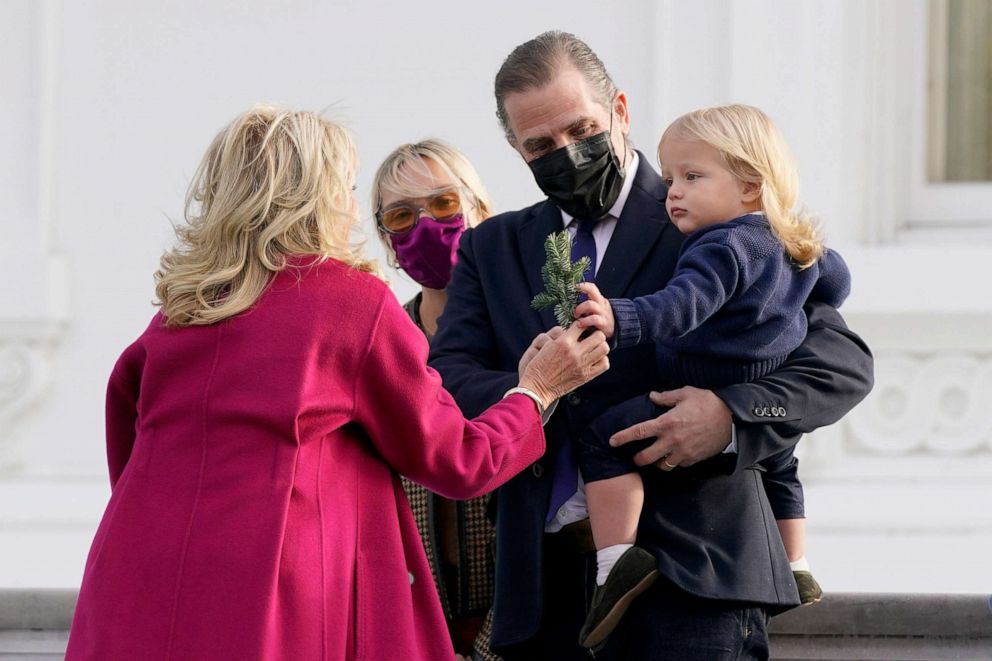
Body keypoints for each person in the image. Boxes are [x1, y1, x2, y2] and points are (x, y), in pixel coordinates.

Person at [64, 106, 610, 661]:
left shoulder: (178, 316)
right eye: (346, 187)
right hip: (272, 595)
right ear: (316, 197)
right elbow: (459, 460)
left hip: (133, 583)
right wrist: (535, 391)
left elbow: (129, 456)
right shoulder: (349, 304)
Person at [429, 31, 874, 660]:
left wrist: (728, 416)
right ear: (515, 148)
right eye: (540, 145)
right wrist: (535, 387)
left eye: (581, 129)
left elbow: (841, 364)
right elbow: (446, 377)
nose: (566, 153)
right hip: (545, 590)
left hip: (695, 578)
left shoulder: (713, 211)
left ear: (621, 111)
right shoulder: (492, 247)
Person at [572, 104, 846, 650]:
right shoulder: (795, 244)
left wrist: (618, 318)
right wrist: (798, 303)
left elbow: (683, 304)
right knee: (780, 467)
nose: (674, 191)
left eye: (693, 177)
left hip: (699, 391)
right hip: (756, 391)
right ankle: (797, 565)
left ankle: (617, 561)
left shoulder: (720, 246)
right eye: (671, 177)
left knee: (602, 436)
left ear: (750, 185)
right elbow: (834, 280)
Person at [370, 139, 502, 661]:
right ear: (387, 239)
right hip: (415, 625)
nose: (425, 226)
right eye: (402, 215)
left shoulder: (526, 333)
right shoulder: (379, 343)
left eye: (444, 204)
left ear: (480, 209)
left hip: (521, 625)